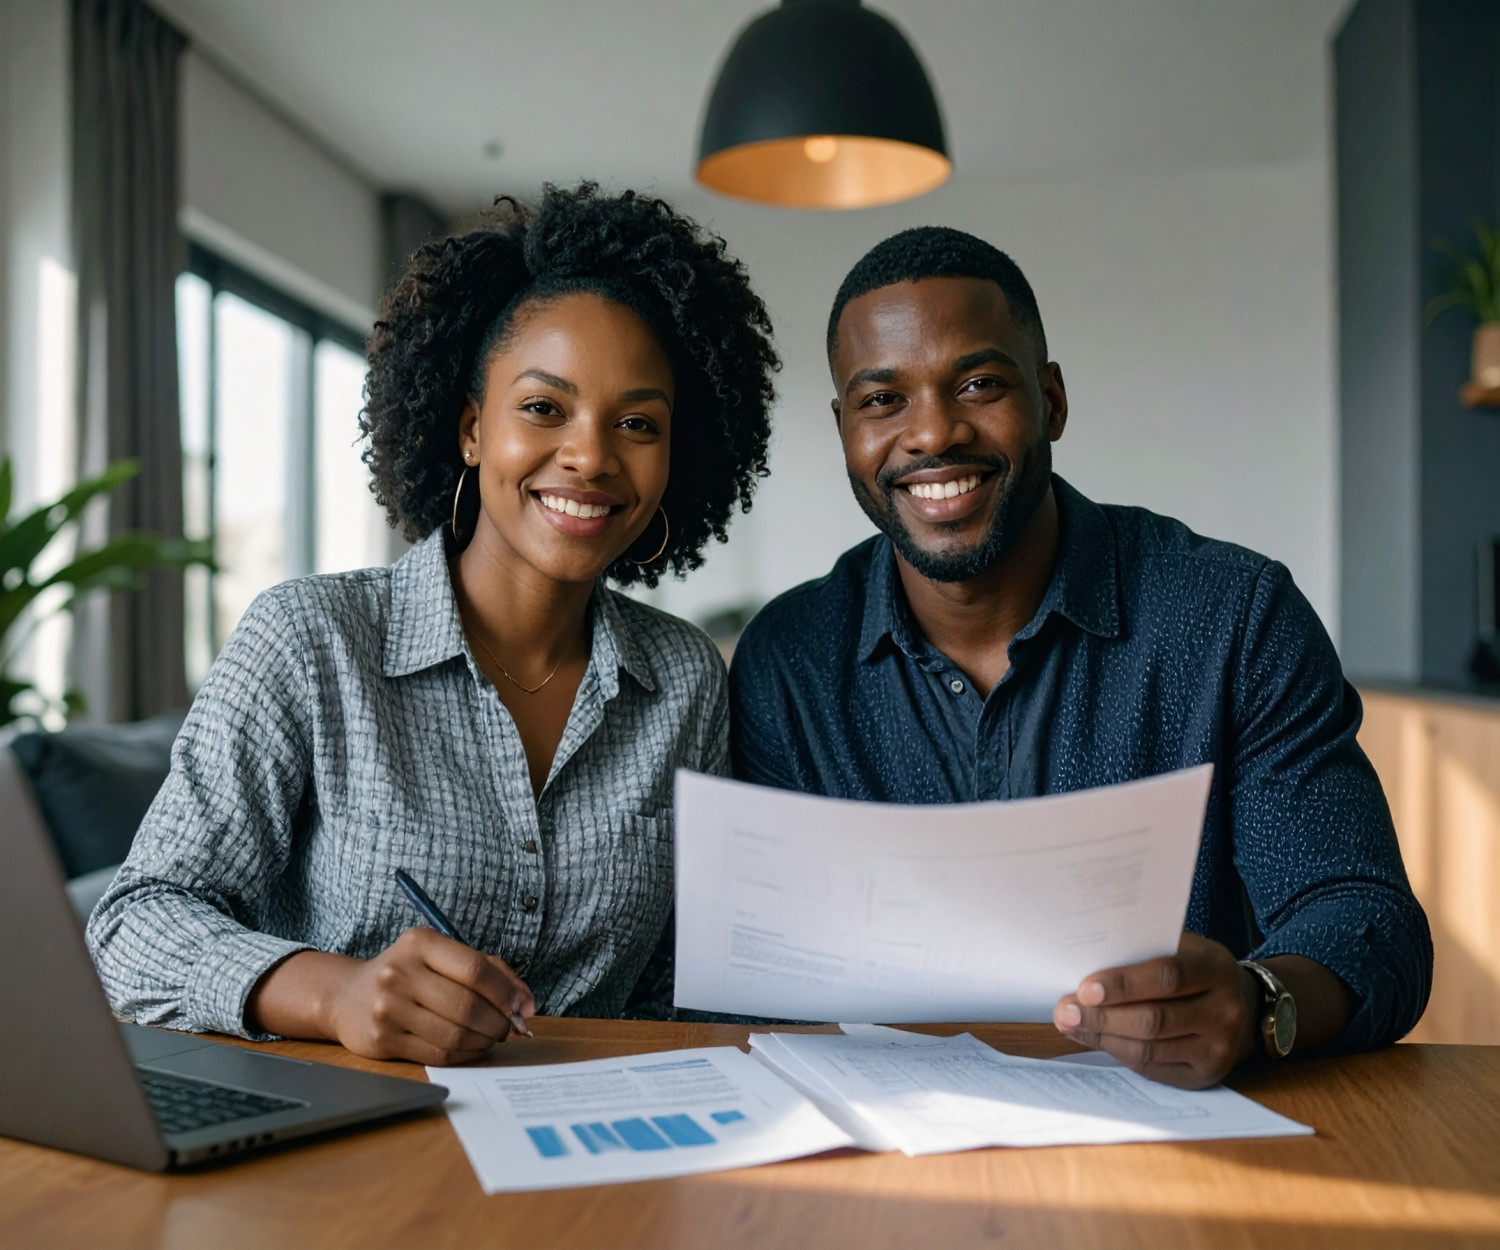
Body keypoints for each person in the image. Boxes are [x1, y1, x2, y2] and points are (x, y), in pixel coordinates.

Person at [87, 184, 779, 1066]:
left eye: (637, 423)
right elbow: (134, 923)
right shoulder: (312, 639)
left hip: (596, 1146)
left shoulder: (684, 680)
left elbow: (673, 985)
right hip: (342, 1150)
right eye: (543, 408)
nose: (592, 456)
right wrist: (333, 991)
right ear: (468, 430)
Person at [729, 226, 1431, 1089]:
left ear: (1051, 399)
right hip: (882, 1152)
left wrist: (1255, 1006)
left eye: (980, 384)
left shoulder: (1232, 617)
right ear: (845, 431)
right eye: (883, 401)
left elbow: (1363, 919)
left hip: (1182, 1139)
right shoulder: (788, 663)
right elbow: (757, 977)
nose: (933, 434)